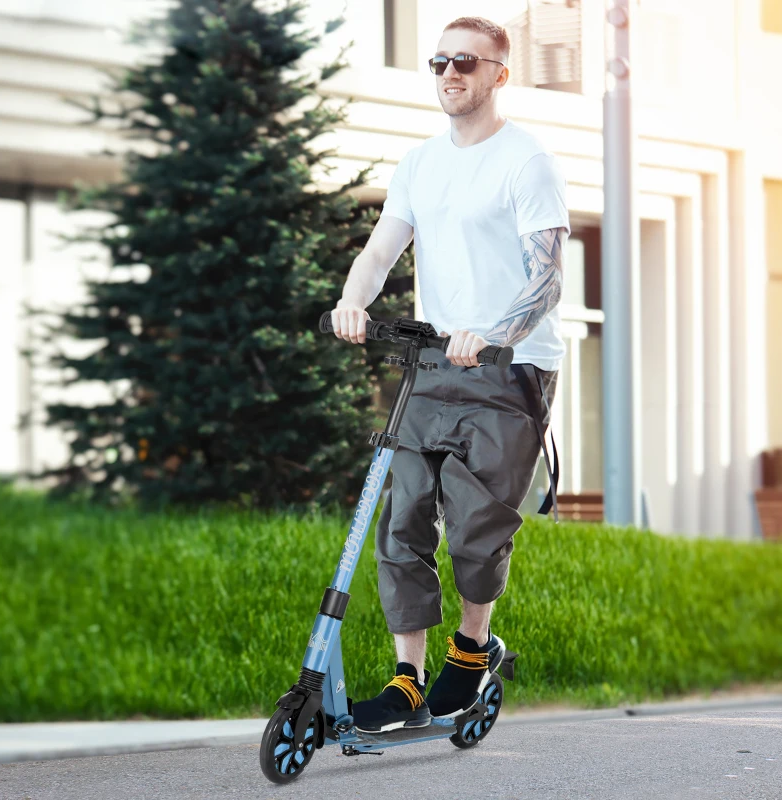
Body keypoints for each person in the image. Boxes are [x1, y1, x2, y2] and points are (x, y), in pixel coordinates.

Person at [330, 16, 570, 733]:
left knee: (474, 527)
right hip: (433, 362)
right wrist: (352, 301)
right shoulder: (420, 163)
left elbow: (547, 277)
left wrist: (494, 332)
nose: (451, 73)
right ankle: (406, 680)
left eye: (466, 61)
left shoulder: (527, 162)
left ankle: (471, 650)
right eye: (439, 62)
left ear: (500, 73)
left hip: (510, 368)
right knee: (402, 519)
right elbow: (380, 252)